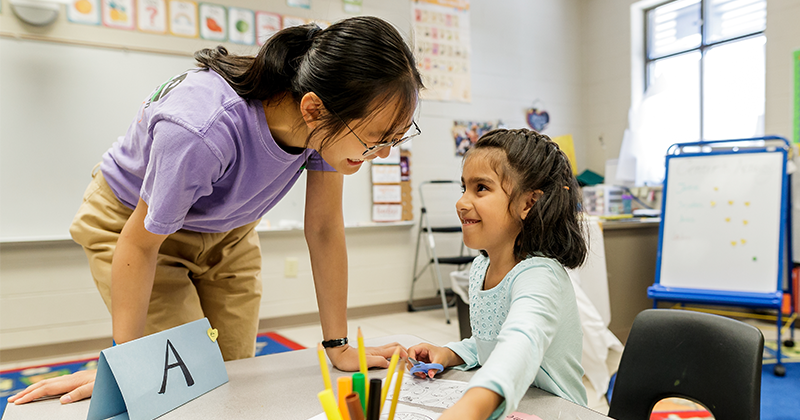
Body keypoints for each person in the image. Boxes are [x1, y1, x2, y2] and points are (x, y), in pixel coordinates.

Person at [10, 15, 422, 406]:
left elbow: (325, 228)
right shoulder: (201, 129)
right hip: (133, 225)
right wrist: (127, 364)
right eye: (374, 139)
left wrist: (339, 346)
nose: (381, 153)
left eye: (394, 139)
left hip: (229, 231)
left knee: (233, 369)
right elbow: (138, 245)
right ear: (314, 108)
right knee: (184, 381)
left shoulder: (322, 128)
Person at [407, 128, 588, 420]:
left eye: (481, 188)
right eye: (463, 187)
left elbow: (519, 346)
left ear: (528, 203)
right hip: (513, 406)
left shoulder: (540, 275)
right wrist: (450, 354)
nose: (462, 202)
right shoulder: (480, 268)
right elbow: (490, 342)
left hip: (557, 413)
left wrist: (470, 408)